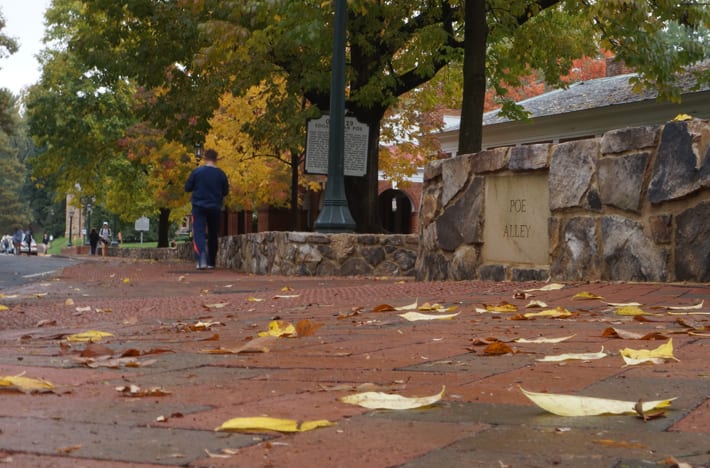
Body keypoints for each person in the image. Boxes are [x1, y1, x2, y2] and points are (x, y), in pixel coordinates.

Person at [184, 148, 229, 269]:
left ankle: (201, 257)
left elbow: (187, 187)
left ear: (205, 158)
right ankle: (211, 262)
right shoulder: (221, 174)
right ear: (216, 159)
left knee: (199, 232)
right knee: (213, 234)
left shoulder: (197, 172)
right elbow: (225, 191)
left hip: (199, 206)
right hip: (215, 206)